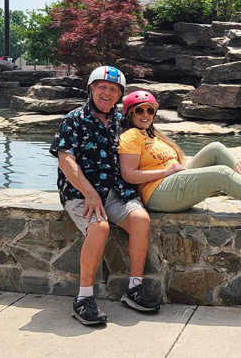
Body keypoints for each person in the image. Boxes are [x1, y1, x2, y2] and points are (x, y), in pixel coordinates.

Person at [50, 66, 159, 326]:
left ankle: (134, 288)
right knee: (99, 228)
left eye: (113, 89)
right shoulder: (74, 119)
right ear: (91, 88)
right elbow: (65, 161)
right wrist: (89, 193)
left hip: (116, 190)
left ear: (119, 95)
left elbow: (147, 146)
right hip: (81, 191)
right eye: (102, 87)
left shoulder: (122, 122)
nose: (107, 93)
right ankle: (83, 299)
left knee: (141, 220)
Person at [118, 90, 241, 216]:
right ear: (129, 114)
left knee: (216, 148)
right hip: (157, 194)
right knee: (220, 173)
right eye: (139, 111)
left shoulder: (153, 135)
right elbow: (129, 174)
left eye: (150, 110)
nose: (145, 115)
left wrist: (173, 170)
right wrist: (166, 172)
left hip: (172, 181)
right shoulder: (131, 136)